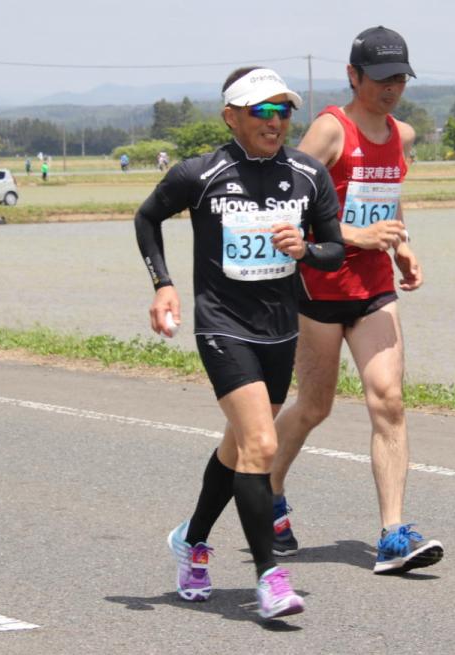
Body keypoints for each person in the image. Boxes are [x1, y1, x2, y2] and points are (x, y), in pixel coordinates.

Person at [134, 66, 345, 619]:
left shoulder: (308, 174)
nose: (276, 122)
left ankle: (192, 540)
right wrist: (163, 285)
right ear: (231, 116)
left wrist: (305, 250)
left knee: (239, 449)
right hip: (222, 325)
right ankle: (269, 578)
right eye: (262, 111)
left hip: (281, 329)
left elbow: (335, 251)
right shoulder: (200, 173)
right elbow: (147, 217)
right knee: (262, 446)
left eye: (284, 111)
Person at [268, 25, 443, 575]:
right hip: (319, 288)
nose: (392, 89)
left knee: (388, 400)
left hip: (374, 290)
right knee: (314, 407)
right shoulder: (330, 130)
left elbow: (388, 198)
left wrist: (402, 245)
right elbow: (286, 211)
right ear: (353, 75)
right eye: (382, 78)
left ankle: (393, 534)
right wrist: (354, 236)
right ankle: (267, 491)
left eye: (400, 79)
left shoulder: (401, 135)